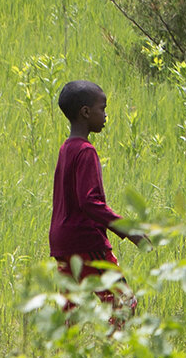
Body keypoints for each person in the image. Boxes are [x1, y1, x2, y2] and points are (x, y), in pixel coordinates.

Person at [50, 79, 142, 279]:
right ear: (85, 112)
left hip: (61, 242)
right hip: (85, 241)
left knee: (72, 307)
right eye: (102, 108)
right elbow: (90, 202)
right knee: (122, 304)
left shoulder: (66, 149)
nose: (106, 115)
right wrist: (128, 230)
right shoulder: (85, 151)